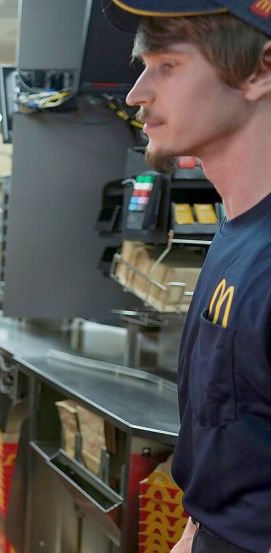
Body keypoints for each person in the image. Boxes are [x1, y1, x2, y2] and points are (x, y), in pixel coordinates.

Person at [105, 2, 271, 552]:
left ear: (261, 70)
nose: (136, 94)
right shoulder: (236, 229)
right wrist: (198, 529)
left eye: (168, 66)